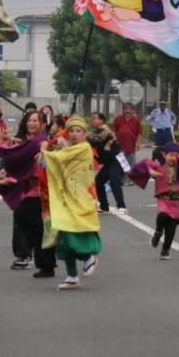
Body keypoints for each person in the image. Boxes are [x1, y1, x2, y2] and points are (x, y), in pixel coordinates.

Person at [41, 117, 103, 290]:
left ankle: (88, 257)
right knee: (63, 237)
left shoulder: (84, 148)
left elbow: (58, 159)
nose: (74, 134)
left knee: (72, 234)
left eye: (78, 131)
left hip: (80, 199)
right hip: (66, 198)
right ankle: (72, 275)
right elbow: (59, 161)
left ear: (84, 134)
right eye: (71, 131)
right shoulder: (69, 148)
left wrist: (45, 149)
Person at [0, 110, 51, 275]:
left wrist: (0, 144)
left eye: (35, 121)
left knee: (26, 220)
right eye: (29, 121)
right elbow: (19, 155)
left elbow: (16, 156)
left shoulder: (39, 141)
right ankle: (44, 264)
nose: (31, 123)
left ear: (43, 125)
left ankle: (33, 257)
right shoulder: (35, 140)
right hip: (31, 189)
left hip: (38, 190)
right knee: (35, 227)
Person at [129, 142, 179, 259]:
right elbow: (142, 164)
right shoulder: (159, 166)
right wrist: (149, 171)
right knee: (162, 216)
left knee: (171, 229)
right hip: (163, 200)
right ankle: (158, 232)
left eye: (175, 155)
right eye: (170, 155)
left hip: (176, 202)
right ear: (164, 155)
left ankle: (165, 250)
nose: (173, 158)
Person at [88, 112, 127, 214]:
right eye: (91, 119)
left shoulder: (104, 129)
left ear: (102, 120)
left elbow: (92, 141)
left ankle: (122, 206)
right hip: (110, 161)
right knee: (99, 181)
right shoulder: (97, 131)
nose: (92, 120)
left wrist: (80, 137)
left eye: (94, 118)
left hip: (117, 160)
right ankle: (104, 206)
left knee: (114, 181)